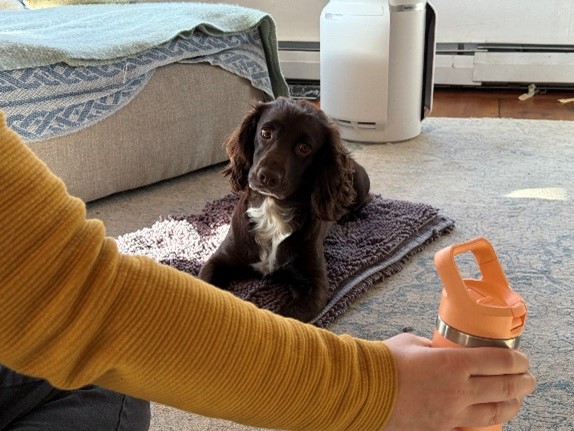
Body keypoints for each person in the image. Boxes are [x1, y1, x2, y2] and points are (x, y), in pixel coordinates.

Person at [0, 111, 536, 431]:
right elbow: (82, 300)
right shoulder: (243, 213)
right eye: (268, 139)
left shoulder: (329, 192)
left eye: (298, 148)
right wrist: (372, 387)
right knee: (112, 380)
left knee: (108, 379)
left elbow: (62, 295)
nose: (272, 160)